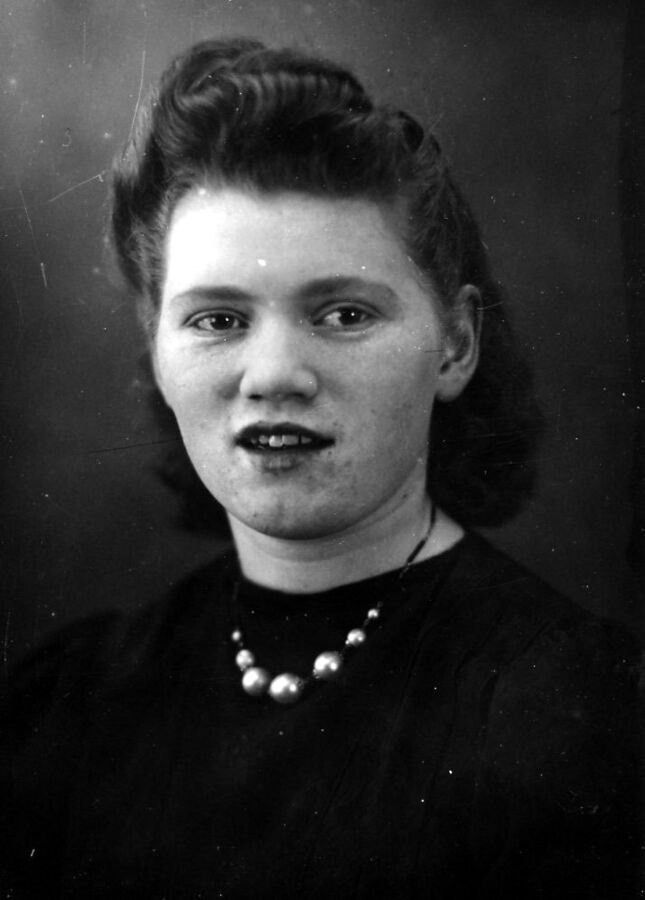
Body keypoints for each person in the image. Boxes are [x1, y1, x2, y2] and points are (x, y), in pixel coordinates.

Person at [0, 38, 641, 899]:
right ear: (155, 349)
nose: (273, 376)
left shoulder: (578, 712)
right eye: (218, 320)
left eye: (342, 313)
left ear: (455, 344)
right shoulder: (71, 703)